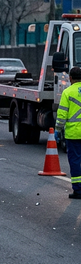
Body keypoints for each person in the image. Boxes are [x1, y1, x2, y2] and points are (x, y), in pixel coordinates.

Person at [55, 66, 81, 199]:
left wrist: (58, 130)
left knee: (75, 160)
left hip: (74, 134)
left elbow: (62, 114)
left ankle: (78, 189)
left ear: (70, 78)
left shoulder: (67, 92)